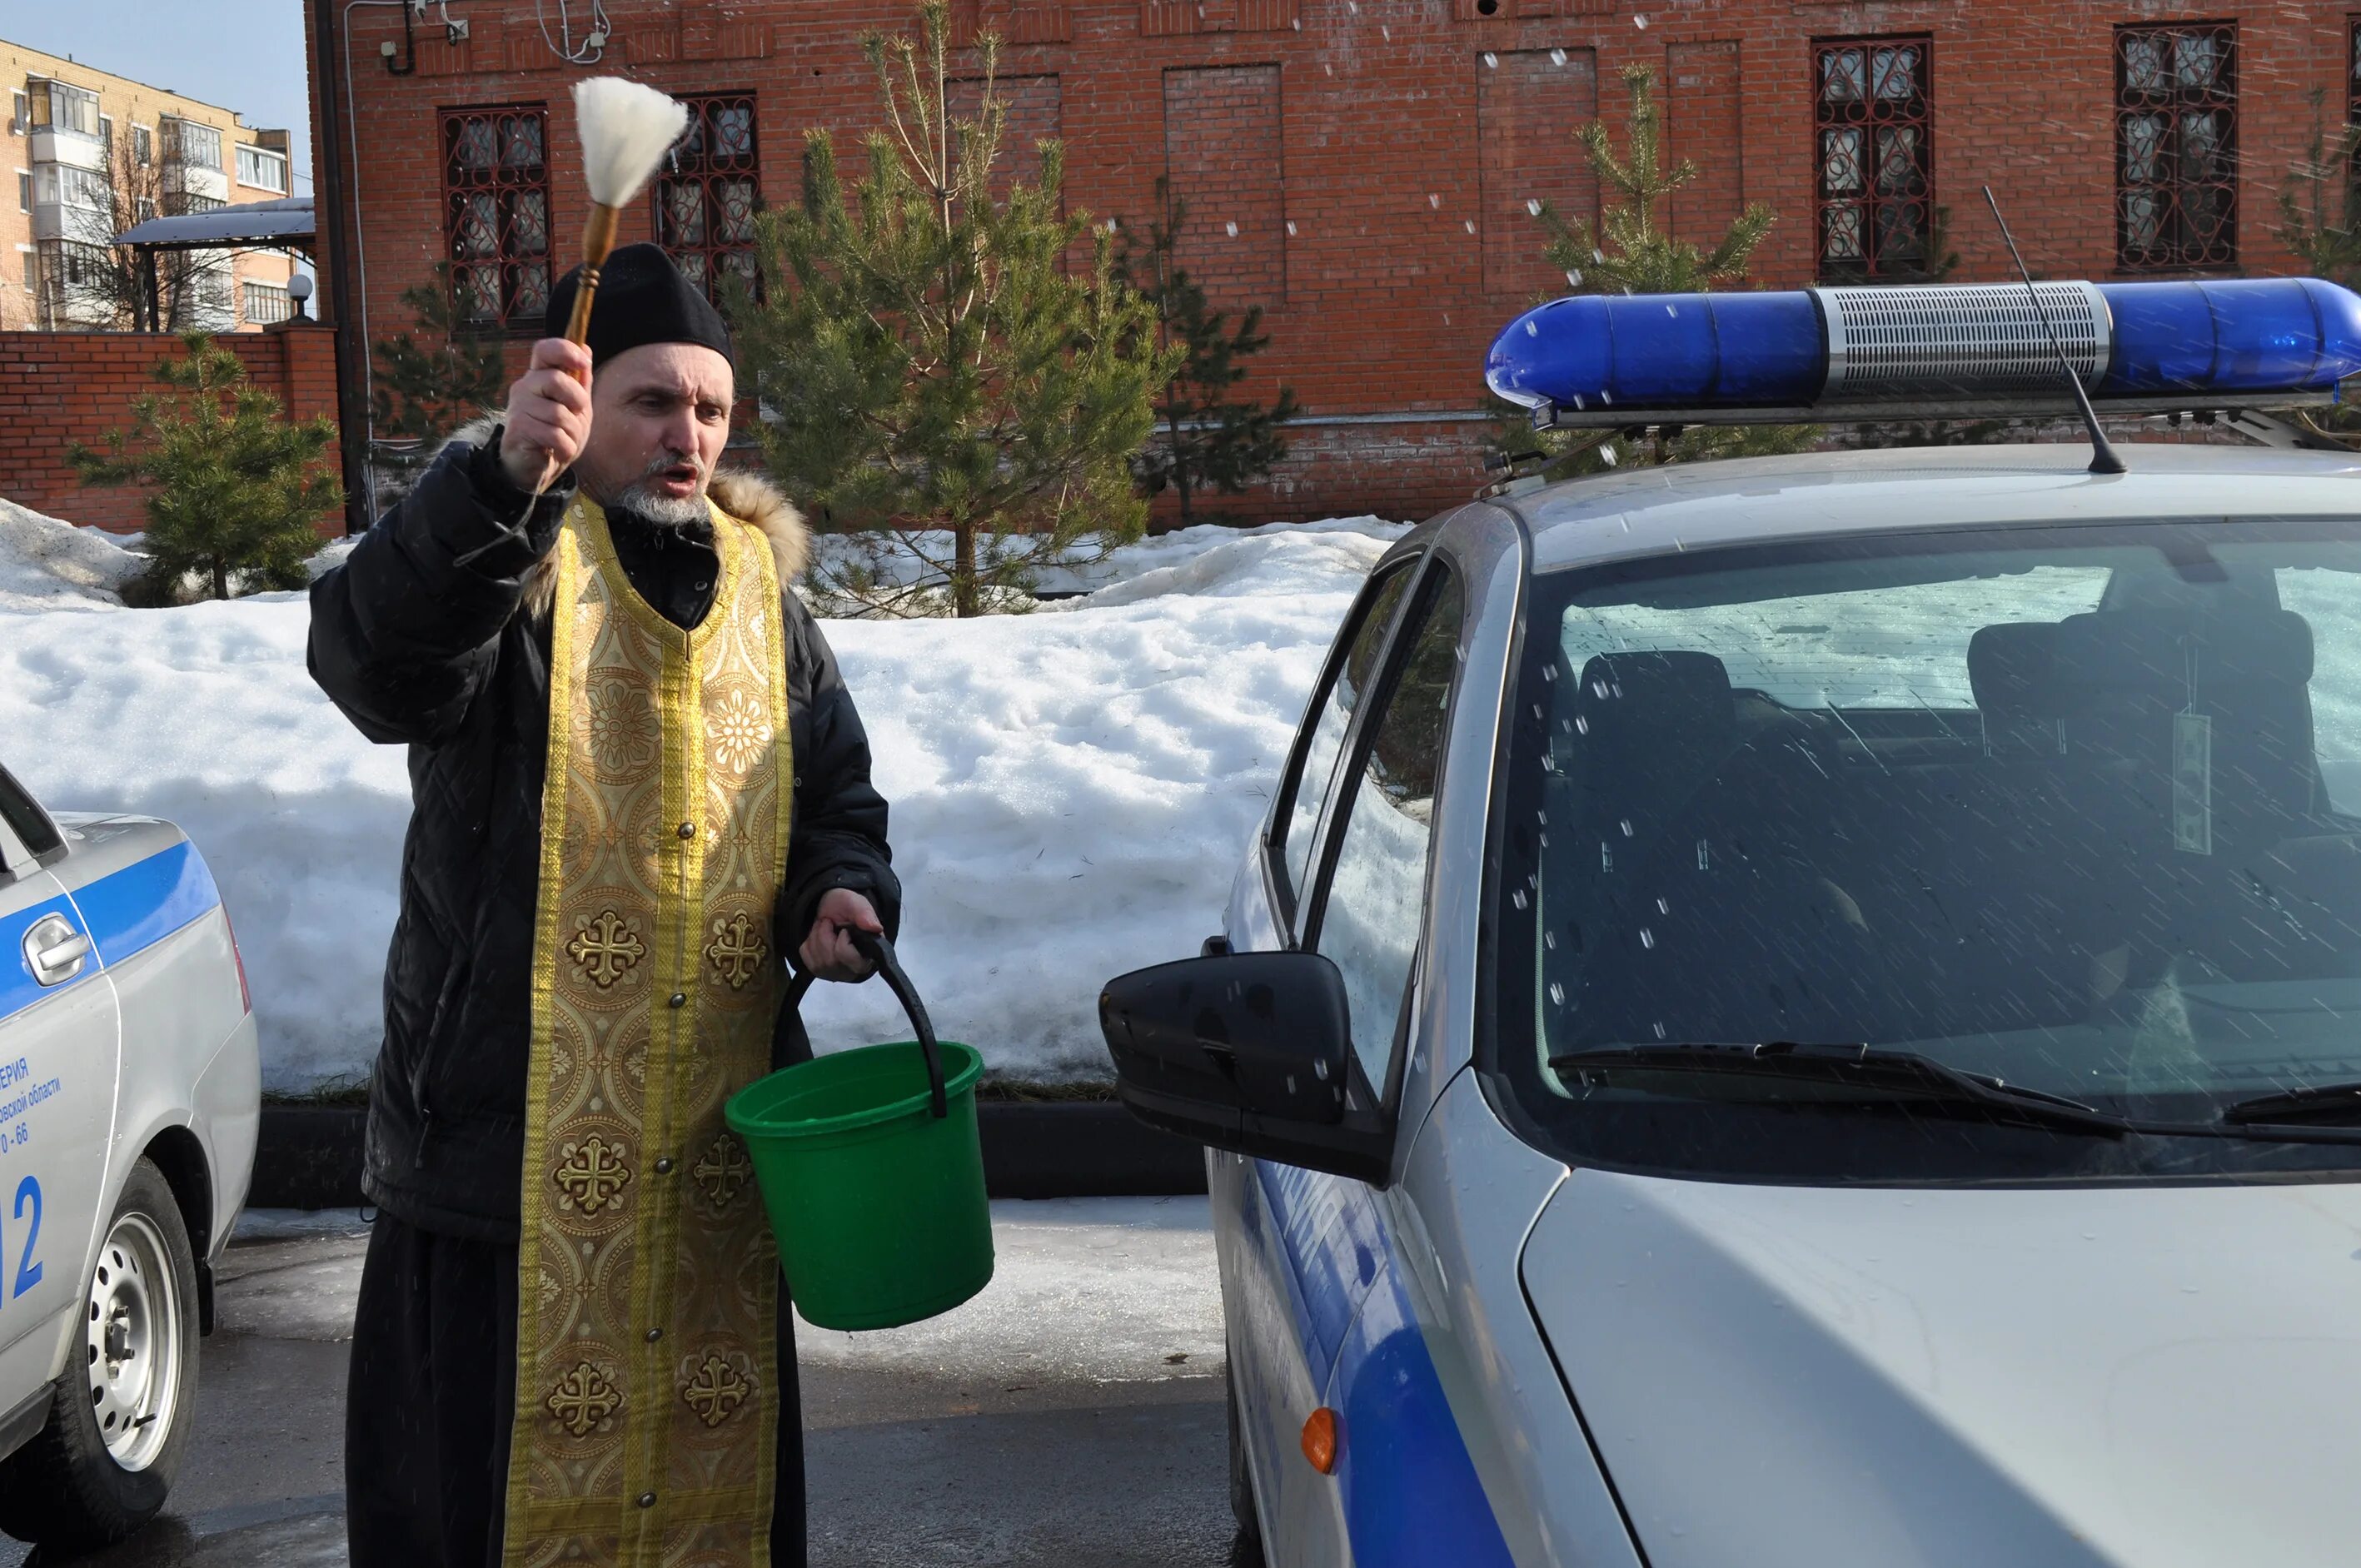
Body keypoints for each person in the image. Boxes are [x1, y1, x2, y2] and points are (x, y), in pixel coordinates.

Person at [310, 243, 896, 1568]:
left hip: (709, 1155)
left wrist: (842, 891)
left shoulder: (766, 593)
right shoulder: (503, 564)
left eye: (710, 408)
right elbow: (373, 667)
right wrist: (496, 484)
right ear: (574, 413)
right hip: (501, 1165)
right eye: (651, 403)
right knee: (478, 1519)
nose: (685, 435)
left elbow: (835, 799)